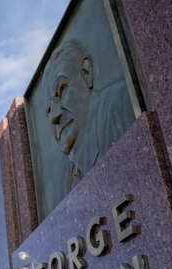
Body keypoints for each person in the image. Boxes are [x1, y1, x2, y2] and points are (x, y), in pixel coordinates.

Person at [42, 41, 134, 194]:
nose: (54, 116)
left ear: (86, 73)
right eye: (49, 110)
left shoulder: (123, 105)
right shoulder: (61, 184)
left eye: (62, 89)